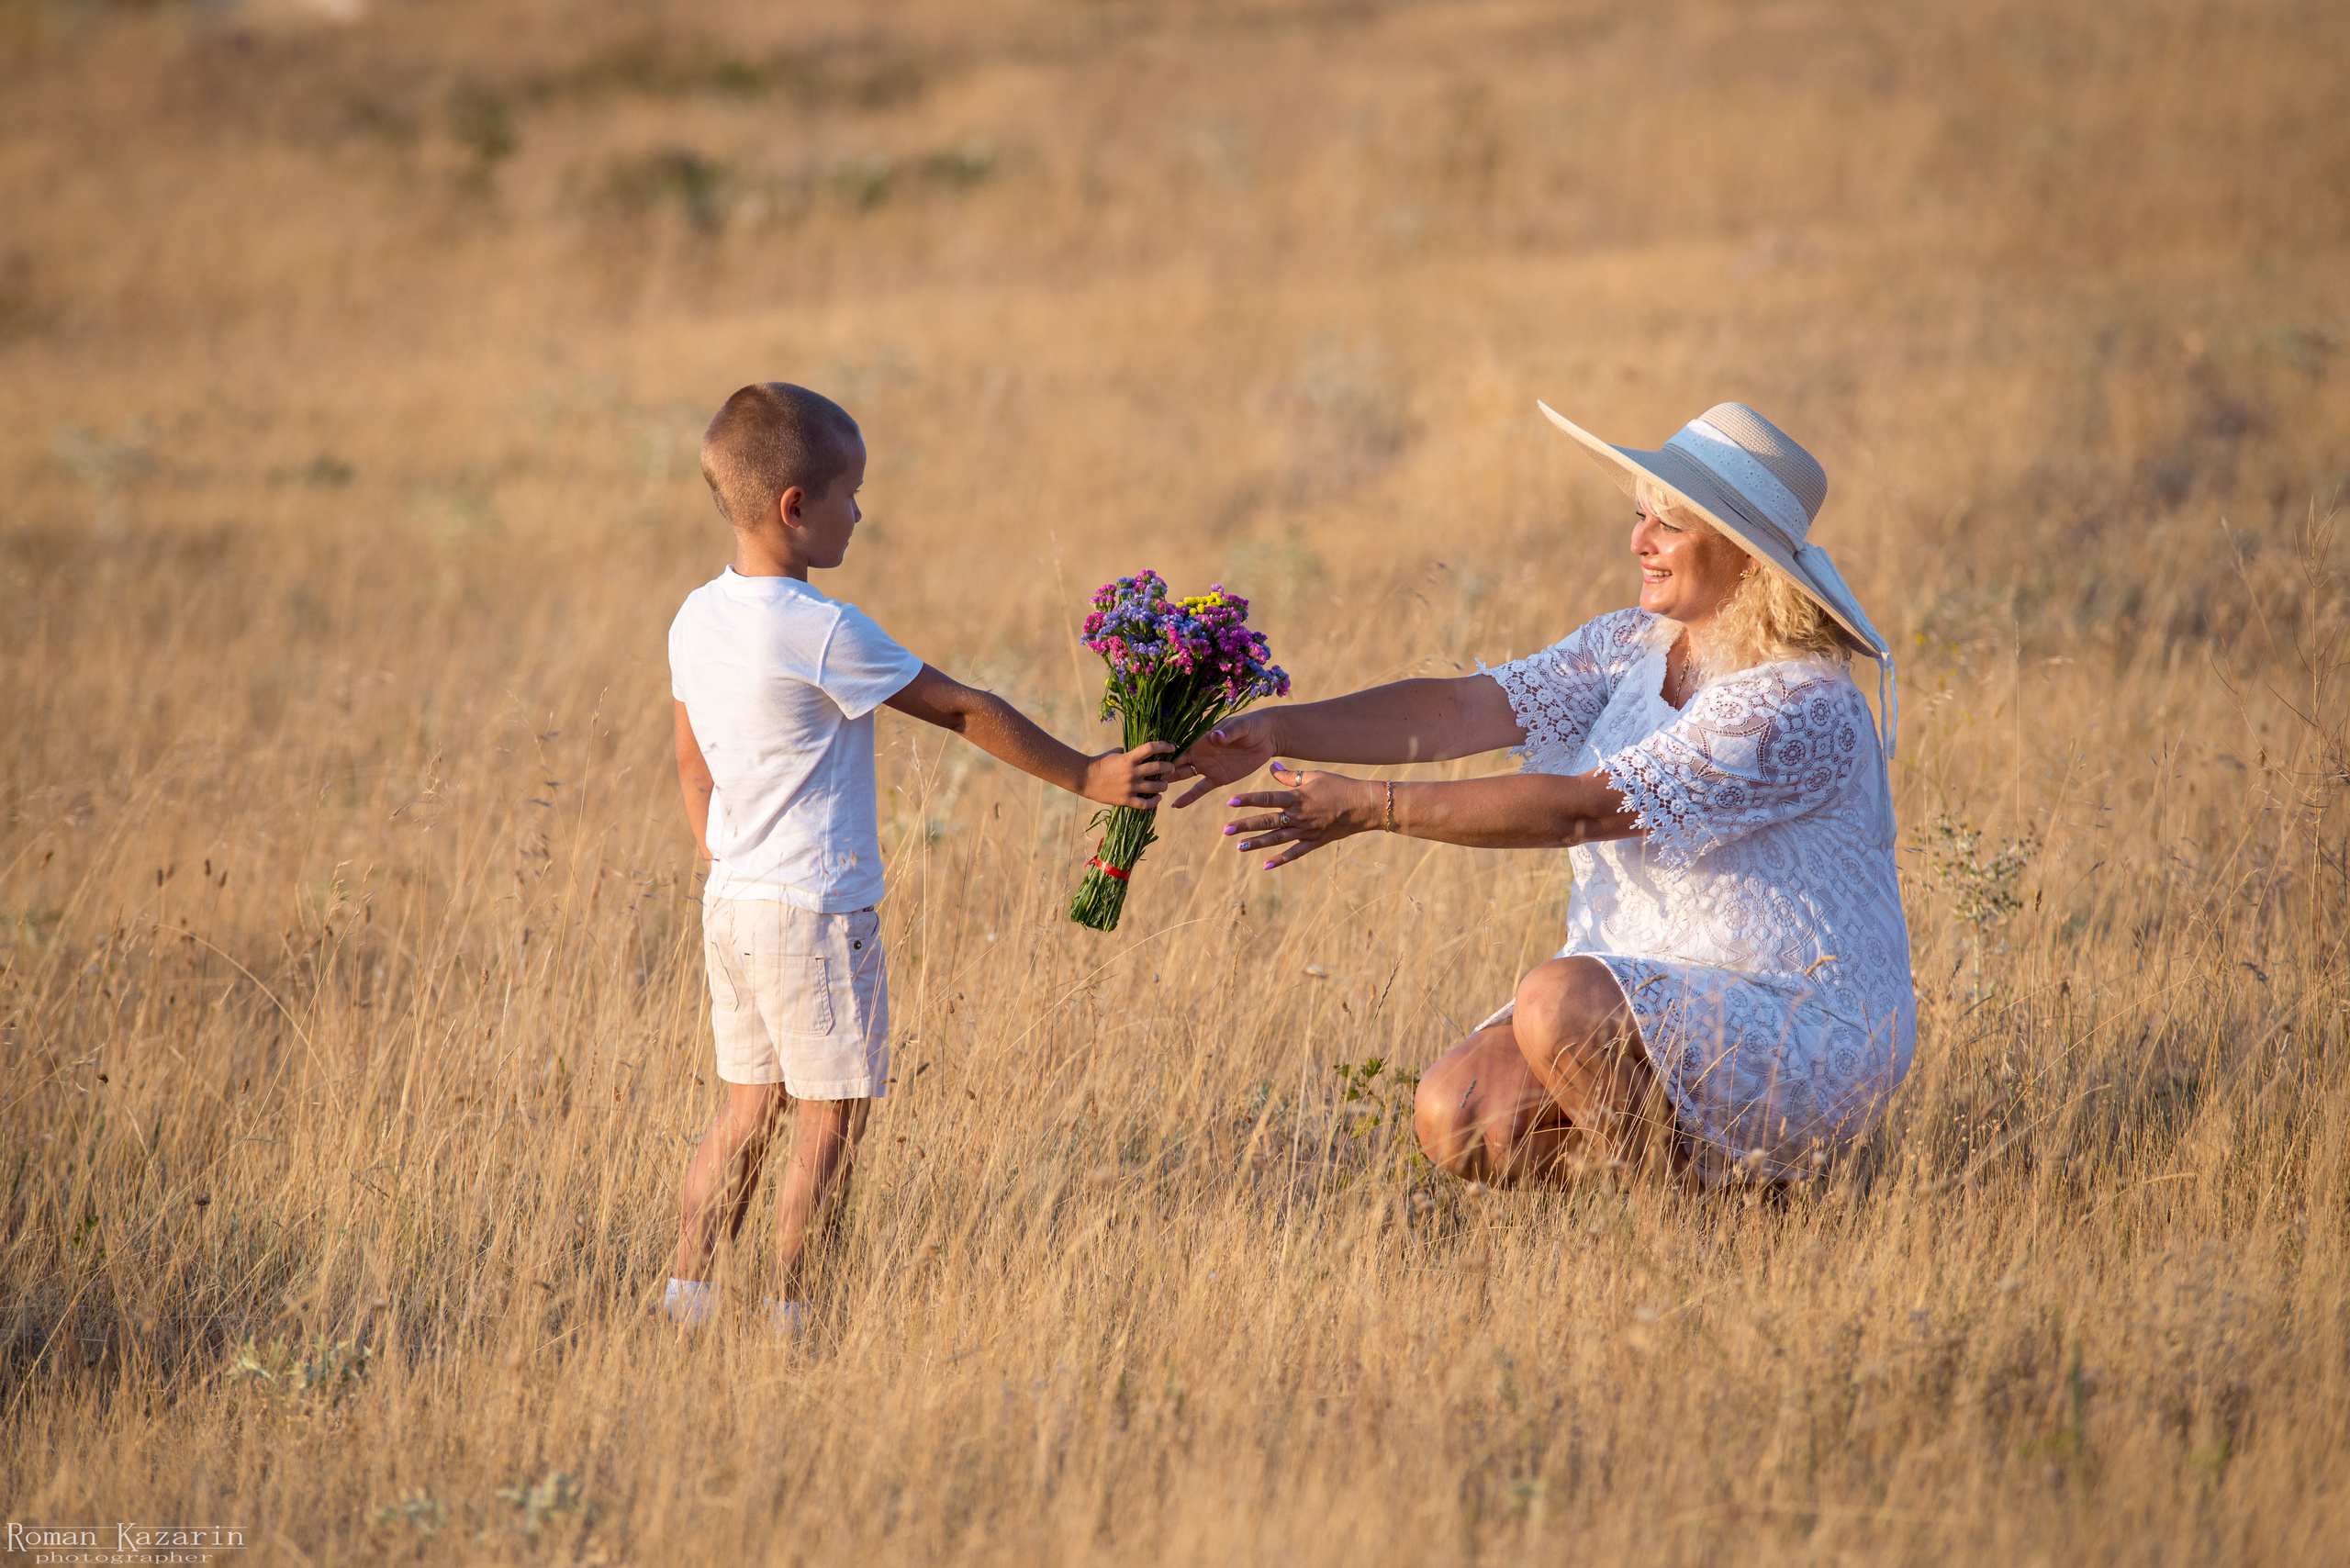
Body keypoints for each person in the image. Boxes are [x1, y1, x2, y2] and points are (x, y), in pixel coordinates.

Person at [1171, 400, 1913, 1189]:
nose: (1638, 542)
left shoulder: (1799, 702)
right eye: (1639, 517)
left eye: (1668, 526)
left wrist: (1371, 807)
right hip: (1644, 993)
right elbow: (1460, 709)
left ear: (1748, 554)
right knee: (1458, 1112)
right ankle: (1742, 1203)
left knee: (1556, 998)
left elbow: (1579, 811)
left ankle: (1680, 1235)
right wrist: (1278, 731)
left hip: (1806, 1022)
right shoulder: (1633, 643)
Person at [663, 382, 1172, 1333]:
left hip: (732, 898)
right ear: (795, 507)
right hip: (813, 910)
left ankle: (685, 1303)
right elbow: (961, 706)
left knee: (745, 1109)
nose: (860, 511)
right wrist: (1089, 777)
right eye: (851, 492)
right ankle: (797, 1320)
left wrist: (728, 861)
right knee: (830, 1118)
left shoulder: (696, 616)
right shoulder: (819, 628)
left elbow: (692, 765)